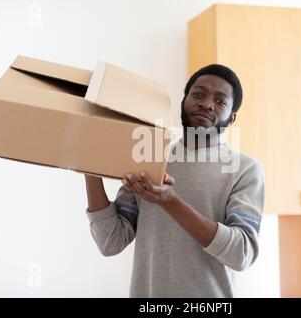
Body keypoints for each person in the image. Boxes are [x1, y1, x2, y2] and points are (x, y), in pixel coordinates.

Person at [84, 64, 265, 297]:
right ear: (183, 102)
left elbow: (241, 254)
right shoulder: (150, 157)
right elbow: (111, 242)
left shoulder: (245, 170)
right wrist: (88, 168)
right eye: (198, 94)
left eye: (220, 101)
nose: (207, 103)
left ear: (231, 118)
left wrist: (172, 204)